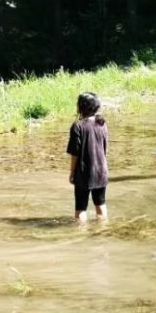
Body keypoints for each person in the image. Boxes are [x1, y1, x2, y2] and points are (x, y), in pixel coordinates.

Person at [68, 92, 109, 222]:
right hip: (101, 171)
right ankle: (103, 232)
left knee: (81, 208)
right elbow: (104, 148)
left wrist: (72, 172)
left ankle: (81, 237)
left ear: (80, 107)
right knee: (101, 204)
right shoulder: (102, 123)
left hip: (84, 172)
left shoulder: (78, 126)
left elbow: (75, 153)